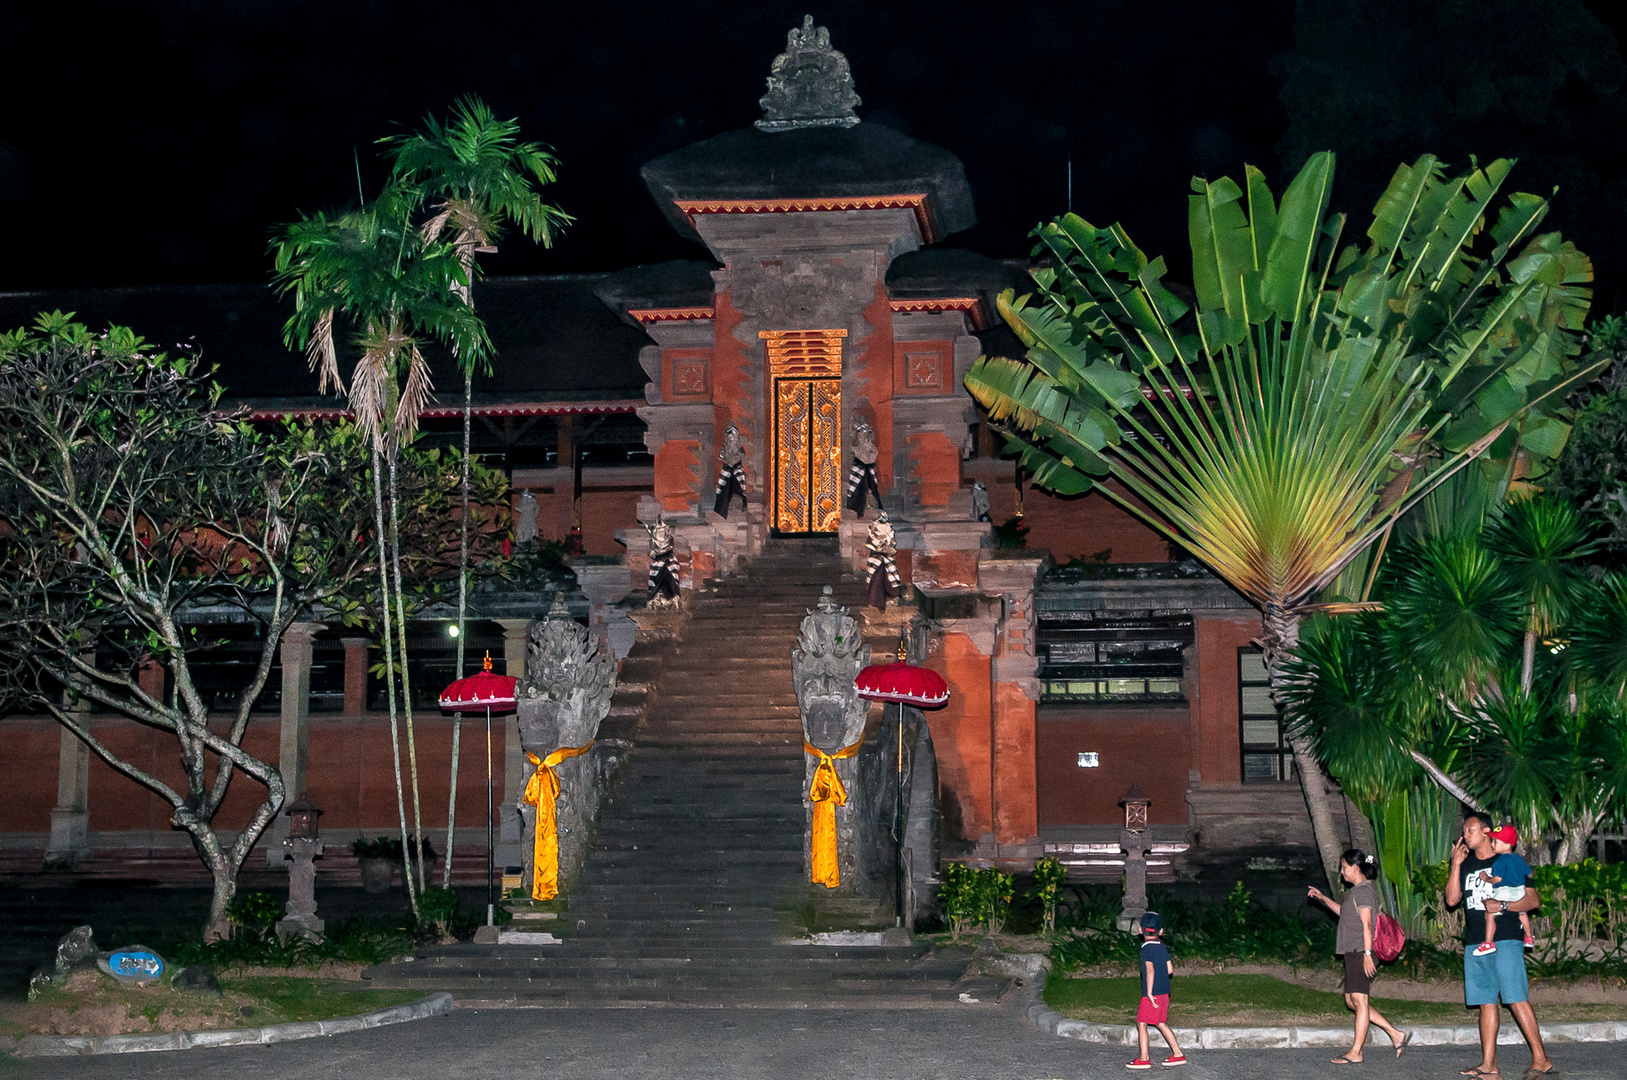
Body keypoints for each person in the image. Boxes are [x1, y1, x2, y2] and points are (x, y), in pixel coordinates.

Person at [1446, 813, 1554, 1079]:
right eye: (1464, 830)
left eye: (1469, 829)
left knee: (1515, 997)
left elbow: (1533, 900)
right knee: (1486, 1002)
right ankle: (1489, 1066)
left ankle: (1541, 1058)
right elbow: (1451, 901)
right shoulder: (1467, 864)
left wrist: (1503, 905)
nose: (1464, 834)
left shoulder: (1507, 860)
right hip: (1475, 940)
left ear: (1485, 832)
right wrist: (1455, 865)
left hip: (1505, 936)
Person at [1308, 849, 1410, 1064]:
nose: (1342, 872)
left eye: (1344, 867)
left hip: (1360, 951)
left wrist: (1366, 954)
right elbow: (1343, 913)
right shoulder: (1357, 892)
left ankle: (1356, 1052)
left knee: (1359, 1000)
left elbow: (1368, 925)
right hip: (1353, 951)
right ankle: (1395, 1033)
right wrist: (1322, 898)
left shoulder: (1363, 892)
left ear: (1356, 868)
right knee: (1352, 1000)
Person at [1126, 911, 1186, 1069]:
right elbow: (1170, 970)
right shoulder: (1162, 947)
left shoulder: (1146, 949)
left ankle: (1144, 1058)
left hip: (1152, 993)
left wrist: (1150, 993)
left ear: (1140, 930)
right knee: (1160, 1022)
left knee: (1141, 1023)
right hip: (1165, 990)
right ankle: (1178, 1053)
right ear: (1160, 932)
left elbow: (1150, 970)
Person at [1473, 825, 1535, 955]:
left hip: (1504, 891)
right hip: (1519, 891)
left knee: (1490, 914)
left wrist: (1486, 878)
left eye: (1495, 842)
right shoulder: (1519, 859)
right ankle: (1529, 937)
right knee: (1522, 914)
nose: (1492, 844)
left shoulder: (1500, 861)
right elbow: (1530, 874)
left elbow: (1498, 879)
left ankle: (1489, 943)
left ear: (1507, 845)